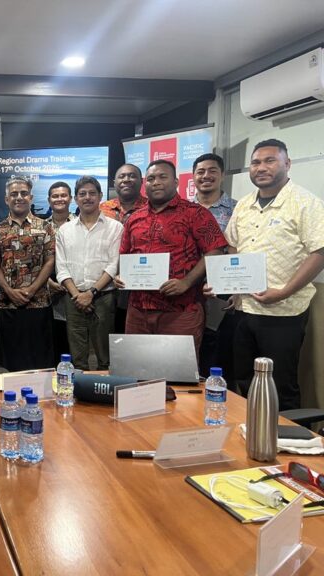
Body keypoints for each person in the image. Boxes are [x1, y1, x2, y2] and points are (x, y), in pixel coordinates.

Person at [222, 139, 324, 410]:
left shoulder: (306, 203)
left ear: (287, 164)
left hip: (283, 311)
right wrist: (233, 284)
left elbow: (319, 251)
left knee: (281, 385)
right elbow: (232, 242)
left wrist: (284, 291)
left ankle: (285, 443)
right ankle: (248, 435)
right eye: (256, 162)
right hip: (245, 308)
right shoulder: (244, 205)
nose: (261, 167)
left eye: (270, 161)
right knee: (243, 380)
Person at [116, 160, 226, 354]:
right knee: (136, 371)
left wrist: (187, 282)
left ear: (176, 182)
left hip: (181, 310)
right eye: (151, 179)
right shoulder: (134, 218)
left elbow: (215, 250)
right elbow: (125, 255)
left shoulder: (196, 213)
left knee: (178, 375)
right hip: (138, 310)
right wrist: (120, 277)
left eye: (162, 177)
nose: (156, 182)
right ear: (145, 185)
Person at [0, 176, 55, 371]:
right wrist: (8, 290)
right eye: (13, 194)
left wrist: (32, 290)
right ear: (6, 199)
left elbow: (50, 260)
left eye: (23, 193)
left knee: (40, 359)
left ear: (31, 197)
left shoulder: (45, 227)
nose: (19, 197)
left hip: (38, 302)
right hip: (9, 304)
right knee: (12, 362)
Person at [56, 176, 122, 371]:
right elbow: (61, 268)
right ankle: (78, 395)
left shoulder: (115, 227)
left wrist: (91, 293)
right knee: (77, 357)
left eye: (92, 193)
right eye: (82, 194)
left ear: (100, 196)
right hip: (73, 298)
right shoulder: (65, 230)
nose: (87, 197)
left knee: (105, 356)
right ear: (76, 198)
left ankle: (105, 395)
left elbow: (113, 264)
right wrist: (78, 295)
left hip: (104, 297)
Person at [191, 153, 238, 380]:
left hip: (221, 291)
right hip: (186, 288)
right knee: (188, 351)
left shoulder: (238, 210)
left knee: (217, 355)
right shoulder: (183, 210)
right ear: (193, 177)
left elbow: (241, 251)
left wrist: (232, 286)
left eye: (212, 171)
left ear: (222, 175)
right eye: (200, 172)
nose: (206, 176)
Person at [101, 164, 147, 334]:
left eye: (132, 176)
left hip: (139, 280)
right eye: (122, 176)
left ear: (141, 181)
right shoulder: (101, 209)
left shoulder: (151, 208)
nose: (126, 179)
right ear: (114, 181)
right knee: (105, 330)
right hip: (103, 280)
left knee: (131, 331)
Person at [45, 181, 73, 364]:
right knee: (51, 338)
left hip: (73, 288)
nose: (59, 199)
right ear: (49, 200)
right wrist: (48, 282)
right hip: (47, 287)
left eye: (63, 195)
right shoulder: (41, 226)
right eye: (55, 196)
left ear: (71, 198)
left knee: (71, 341)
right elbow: (34, 259)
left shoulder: (79, 225)